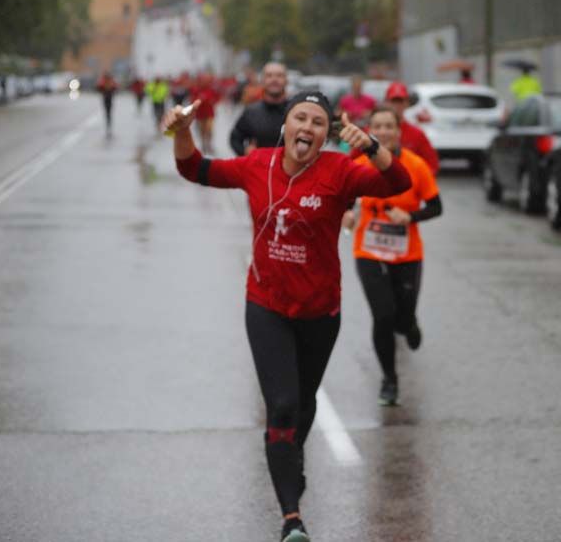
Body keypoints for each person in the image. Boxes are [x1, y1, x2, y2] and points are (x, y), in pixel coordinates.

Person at [164, 91, 411, 542]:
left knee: (303, 402)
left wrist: (372, 146)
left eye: (318, 122)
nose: (308, 127)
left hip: (320, 310)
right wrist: (181, 132)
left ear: (324, 136)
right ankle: (291, 518)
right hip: (266, 304)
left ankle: (289, 454)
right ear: (287, 126)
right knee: (280, 404)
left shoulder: (339, 172)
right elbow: (194, 169)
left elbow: (398, 183)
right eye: (301, 118)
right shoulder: (257, 164)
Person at [344, 105, 442, 405]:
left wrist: (410, 217)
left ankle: (409, 324)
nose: (384, 132)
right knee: (382, 316)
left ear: (399, 131)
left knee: (402, 315)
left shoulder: (416, 166)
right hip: (368, 250)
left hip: (407, 254)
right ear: (370, 131)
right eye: (379, 126)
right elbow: (345, 199)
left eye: (390, 126)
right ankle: (389, 379)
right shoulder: (359, 164)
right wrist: (346, 214)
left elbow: (436, 207)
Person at [230, 62, 290, 156]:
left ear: (286, 80)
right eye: (269, 76)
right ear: (262, 81)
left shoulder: (296, 110)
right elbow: (234, 139)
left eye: (279, 75)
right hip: (259, 168)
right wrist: (245, 151)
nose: (274, 79)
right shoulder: (251, 112)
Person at [192, 73, 219, 153]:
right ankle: (204, 145)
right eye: (203, 80)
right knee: (202, 131)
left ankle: (210, 145)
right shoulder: (196, 89)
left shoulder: (211, 89)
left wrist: (213, 101)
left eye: (206, 80)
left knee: (209, 130)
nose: (204, 82)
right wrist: (199, 99)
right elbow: (192, 100)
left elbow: (217, 98)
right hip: (200, 114)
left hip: (209, 113)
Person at [96, 71, 118, 136]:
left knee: (108, 112)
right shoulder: (108, 81)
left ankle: (108, 123)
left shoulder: (105, 81)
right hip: (108, 98)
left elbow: (98, 88)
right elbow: (99, 88)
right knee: (108, 113)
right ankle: (108, 123)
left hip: (107, 98)